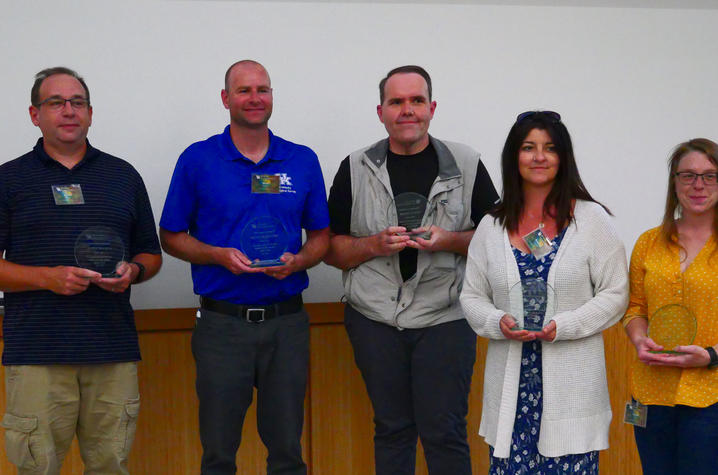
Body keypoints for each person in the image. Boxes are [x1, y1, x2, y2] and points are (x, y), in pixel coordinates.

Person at [324, 65, 499, 474]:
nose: (407, 110)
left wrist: (450, 240)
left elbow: (496, 240)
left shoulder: (467, 163)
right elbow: (329, 249)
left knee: (445, 431)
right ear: (381, 110)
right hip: (374, 319)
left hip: (446, 316)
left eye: (416, 101)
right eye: (397, 101)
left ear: (432, 108)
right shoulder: (355, 166)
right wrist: (371, 245)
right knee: (392, 429)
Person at [159, 60, 329, 475]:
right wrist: (217, 255)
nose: (255, 98)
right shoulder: (198, 160)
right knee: (218, 453)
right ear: (226, 99)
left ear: (272, 97)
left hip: (286, 323)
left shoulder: (302, 160)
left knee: (288, 451)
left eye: (263, 90)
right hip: (222, 326)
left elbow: (322, 237)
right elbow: (170, 236)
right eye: (244, 90)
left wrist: (300, 260)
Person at [0, 67, 162, 474]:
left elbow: (151, 252)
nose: (68, 111)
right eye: (56, 102)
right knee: (38, 469)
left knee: (111, 466)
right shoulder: (9, 179)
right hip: (37, 354)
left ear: (90, 113)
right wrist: (46, 278)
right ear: (35, 114)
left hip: (111, 352)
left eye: (77, 103)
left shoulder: (122, 176)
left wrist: (134, 272)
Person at [459, 111, 628, 474]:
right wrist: (496, 321)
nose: (539, 157)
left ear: (563, 157)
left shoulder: (592, 219)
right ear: (513, 157)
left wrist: (565, 325)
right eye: (529, 147)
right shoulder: (491, 225)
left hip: (572, 393)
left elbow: (616, 294)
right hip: (511, 395)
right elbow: (471, 296)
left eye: (550, 148)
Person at [622, 138, 718, 475]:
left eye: (710, 176)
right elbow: (635, 308)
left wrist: (711, 355)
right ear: (674, 182)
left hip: (711, 393)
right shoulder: (649, 242)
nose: (698, 185)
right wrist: (638, 339)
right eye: (688, 175)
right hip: (651, 392)